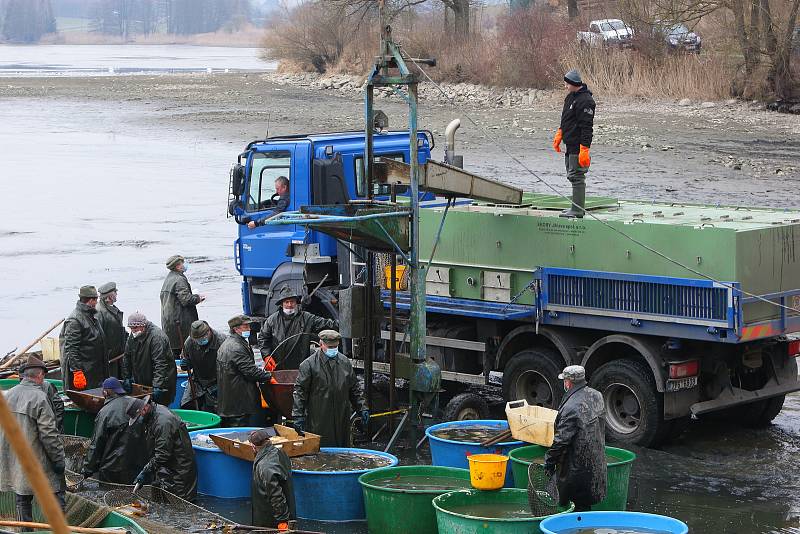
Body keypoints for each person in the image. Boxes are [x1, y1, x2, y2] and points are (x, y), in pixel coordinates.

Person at [0, 356, 66, 529]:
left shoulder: (8, 395)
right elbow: (50, 437)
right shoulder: (40, 398)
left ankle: (25, 531)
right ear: (40, 376)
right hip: (39, 462)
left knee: (22, 498)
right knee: (56, 495)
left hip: (15, 461)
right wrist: (59, 461)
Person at [543, 365, 607, 512]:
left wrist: (549, 461)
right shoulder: (597, 395)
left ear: (568, 383)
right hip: (595, 461)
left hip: (576, 466)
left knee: (574, 507)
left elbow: (561, 441)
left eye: (564, 381)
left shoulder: (571, 406)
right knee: (585, 506)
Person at [292, 329, 368, 447]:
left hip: (341, 417)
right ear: (321, 344)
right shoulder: (308, 365)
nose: (333, 349)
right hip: (318, 419)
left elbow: (354, 388)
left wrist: (362, 408)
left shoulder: (345, 362)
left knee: (342, 451)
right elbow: (300, 392)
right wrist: (298, 416)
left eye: (335, 346)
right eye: (330, 346)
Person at [83, 378, 148, 484]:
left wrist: (87, 469)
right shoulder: (137, 404)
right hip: (138, 467)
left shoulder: (105, 412)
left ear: (105, 392)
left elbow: (97, 444)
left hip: (112, 470)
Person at [132, 398, 198, 501]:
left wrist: (146, 471)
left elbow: (162, 454)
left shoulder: (163, 422)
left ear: (144, 409)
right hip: (167, 468)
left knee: (180, 503)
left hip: (179, 471)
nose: (139, 419)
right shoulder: (152, 416)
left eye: (138, 415)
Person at [258, 286, 337, 371]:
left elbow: (326, 324)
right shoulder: (272, 320)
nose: (289, 305)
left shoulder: (307, 318)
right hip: (278, 367)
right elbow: (263, 338)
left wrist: (341, 323)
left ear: (296, 303)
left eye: (292, 301)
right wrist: (266, 355)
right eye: (286, 302)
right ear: (281, 304)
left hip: (301, 367)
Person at [552, 69, 595, 219]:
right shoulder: (570, 97)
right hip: (569, 144)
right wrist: (560, 133)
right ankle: (574, 207)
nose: (565, 86)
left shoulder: (586, 101)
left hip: (578, 145)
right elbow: (566, 119)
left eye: (566, 83)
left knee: (577, 176)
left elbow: (587, 127)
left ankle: (577, 210)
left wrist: (584, 148)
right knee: (571, 175)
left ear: (573, 83)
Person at [217, 315, 272, 427]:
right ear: (236, 329)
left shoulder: (232, 342)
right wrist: (269, 376)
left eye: (248, 326)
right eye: (245, 326)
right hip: (238, 399)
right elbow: (250, 371)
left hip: (231, 396)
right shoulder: (236, 347)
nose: (249, 329)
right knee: (240, 429)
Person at [122, 312, 177, 406]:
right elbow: (127, 356)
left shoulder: (157, 337)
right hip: (143, 380)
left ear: (143, 326)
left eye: (135, 328)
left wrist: (157, 386)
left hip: (162, 381)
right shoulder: (133, 335)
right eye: (131, 328)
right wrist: (126, 376)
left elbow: (160, 363)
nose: (133, 331)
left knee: (159, 409)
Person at [59, 285, 107, 390]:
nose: (97, 303)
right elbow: (71, 349)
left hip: (95, 369)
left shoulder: (91, 316)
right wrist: (77, 371)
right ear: (90, 300)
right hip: (85, 371)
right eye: (96, 300)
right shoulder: (75, 320)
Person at [249, 428, 295, 531]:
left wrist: (282, 520)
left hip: (271, 521)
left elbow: (276, 496)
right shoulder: (280, 452)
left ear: (253, 446)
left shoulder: (264, 466)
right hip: (288, 513)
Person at [160, 254, 205, 356]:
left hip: (169, 323)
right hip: (180, 323)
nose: (185, 265)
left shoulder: (169, 278)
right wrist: (198, 298)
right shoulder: (179, 279)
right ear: (178, 266)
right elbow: (186, 299)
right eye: (183, 263)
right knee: (185, 350)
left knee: (174, 351)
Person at [181, 320, 225, 412]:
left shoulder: (221, 341)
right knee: (187, 405)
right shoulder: (189, 343)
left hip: (218, 380)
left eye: (203, 337)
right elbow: (185, 359)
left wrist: (221, 384)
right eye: (197, 339)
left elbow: (229, 367)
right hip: (197, 380)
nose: (201, 340)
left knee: (217, 410)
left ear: (209, 331)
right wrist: (185, 364)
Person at [96, 282, 127, 379]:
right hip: (108, 358)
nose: (117, 293)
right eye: (115, 292)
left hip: (117, 356)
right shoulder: (99, 312)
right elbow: (98, 337)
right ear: (109, 297)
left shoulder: (112, 309)